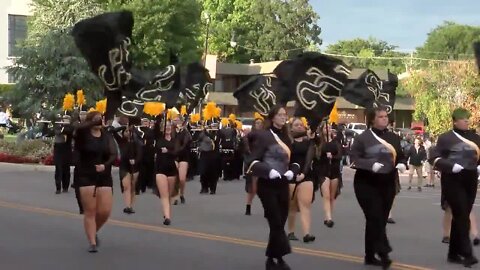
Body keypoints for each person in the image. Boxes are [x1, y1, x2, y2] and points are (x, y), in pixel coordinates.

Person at [350, 106, 407, 268]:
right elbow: (353, 159)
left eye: (386, 116)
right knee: (374, 216)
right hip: (366, 183)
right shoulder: (363, 138)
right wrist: (369, 164)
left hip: (387, 183)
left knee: (378, 221)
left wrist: (402, 164)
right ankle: (383, 252)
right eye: (381, 116)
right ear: (372, 119)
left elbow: (401, 156)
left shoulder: (394, 137)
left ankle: (369, 255)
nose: (384, 119)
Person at [244, 106, 300, 270]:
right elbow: (252, 161)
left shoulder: (287, 137)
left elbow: (295, 160)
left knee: (280, 222)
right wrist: (269, 170)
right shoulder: (264, 136)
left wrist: (293, 171)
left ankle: (272, 259)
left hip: (283, 184)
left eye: (285, 115)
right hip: (267, 184)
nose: (284, 117)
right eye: (280, 115)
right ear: (273, 117)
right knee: (275, 220)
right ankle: (281, 256)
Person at [430, 108, 480, 267]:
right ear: (455, 121)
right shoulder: (445, 138)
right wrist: (450, 166)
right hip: (452, 179)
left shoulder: (476, 138)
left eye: (467, 119)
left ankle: (453, 253)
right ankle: (467, 254)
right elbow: (435, 158)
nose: (466, 121)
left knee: (462, 214)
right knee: (461, 215)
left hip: (470, 178)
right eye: (463, 119)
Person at [74, 111, 117, 253]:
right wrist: (94, 121)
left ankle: (93, 231)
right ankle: (92, 242)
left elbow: (113, 154)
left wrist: (105, 165)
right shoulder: (83, 135)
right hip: (85, 174)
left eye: (101, 119)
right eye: (96, 119)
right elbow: (79, 128)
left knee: (104, 211)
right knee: (90, 211)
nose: (100, 121)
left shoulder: (107, 136)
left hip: (103, 174)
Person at [286, 117, 315, 243]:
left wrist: (304, 173)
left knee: (305, 205)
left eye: (301, 125)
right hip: (291, 175)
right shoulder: (288, 142)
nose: (299, 127)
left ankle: (306, 233)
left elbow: (309, 159)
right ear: (291, 128)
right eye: (296, 125)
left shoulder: (309, 142)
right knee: (292, 207)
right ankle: (291, 231)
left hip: (305, 175)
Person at [313, 122, 343, 228]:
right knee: (325, 195)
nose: (328, 129)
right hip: (323, 170)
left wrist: (333, 156)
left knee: (332, 196)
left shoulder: (335, 141)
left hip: (334, 171)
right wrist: (323, 155)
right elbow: (316, 156)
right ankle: (328, 218)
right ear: (322, 130)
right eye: (326, 128)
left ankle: (329, 215)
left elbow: (340, 155)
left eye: (330, 128)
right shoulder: (319, 142)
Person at [112, 126, 142, 214]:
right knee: (126, 186)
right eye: (125, 131)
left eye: (129, 131)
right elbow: (113, 131)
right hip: (124, 166)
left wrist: (135, 161)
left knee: (132, 187)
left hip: (134, 166)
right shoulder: (121, 141)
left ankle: (131, 205)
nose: (127, 133)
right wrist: (123, 127)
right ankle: (127, 206)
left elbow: (140, 154)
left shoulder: (137, 142)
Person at [154, 119, 178, 226]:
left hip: (171, 169)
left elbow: (176, 152)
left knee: (169, 195)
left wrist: (167, 151)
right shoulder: (159, 139)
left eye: (169, 126)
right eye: (165, 126)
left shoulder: (174, 140)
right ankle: (167, 217)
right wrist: (160, 115)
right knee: (164, 195)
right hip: (160, 169)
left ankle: (166, 212)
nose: (167, 128)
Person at [243, 117, 264, 215]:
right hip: (253, 163)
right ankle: (248, 205)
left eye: (260, 123)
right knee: (252, 187)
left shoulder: (266, 136)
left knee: (265, 187)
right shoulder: (250, 136)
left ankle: (267, 208)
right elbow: (246, 149)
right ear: (254, 125)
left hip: (264, 163)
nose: (259, 125)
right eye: (257, 123)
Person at [172, 115, 192, 204]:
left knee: (182, 179)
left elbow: (186, 143)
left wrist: (183, 130)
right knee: (175, 177)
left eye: (178, 120)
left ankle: (181, 194)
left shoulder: (185, 132)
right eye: (174, 120)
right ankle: (175, 196)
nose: (176, 122)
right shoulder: (171, 131)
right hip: (174, 156)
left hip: (184, 156)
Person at [53, 115, 74, 194]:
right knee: (58, 168)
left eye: (67, 119)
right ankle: (58, 187)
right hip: (58, 148)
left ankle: (65, 186)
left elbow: (69, 132)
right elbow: (55, 132)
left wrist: (66, 126)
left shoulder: (70, 128)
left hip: (66, 149)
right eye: (64, 119)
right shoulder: (58, 126)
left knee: (66, 168)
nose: (65, 120)